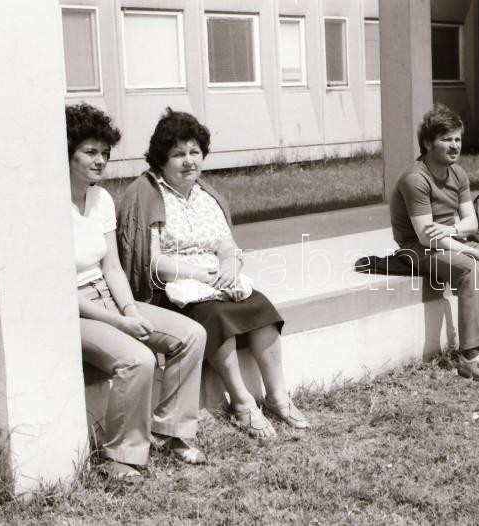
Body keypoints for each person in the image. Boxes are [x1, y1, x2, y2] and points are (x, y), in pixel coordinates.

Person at [117, 108, 309, 439]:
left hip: (213, 280)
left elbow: (227, 245)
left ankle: (278, 396)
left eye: (194, 152)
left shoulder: (205, 195)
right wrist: (200, 275)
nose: (188, 161)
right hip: (171, 288)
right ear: (161, 158)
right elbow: (151, 261)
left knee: (260, 309)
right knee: (215, 315)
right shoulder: (147, 194)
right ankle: (242, 403)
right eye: (178, 154)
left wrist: (231, 266)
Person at [67, 103, 208, 480]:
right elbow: (61, 291)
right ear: (67, 153)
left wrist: (129, 309)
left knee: (191, 335)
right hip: (74, 311)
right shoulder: (49, 208)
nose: (100, 160)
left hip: (109, 297)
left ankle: (170, 432)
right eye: (90, 152)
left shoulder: (100, 199)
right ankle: (120, 457)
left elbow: (112, 267)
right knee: (138, 359)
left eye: (105, 152)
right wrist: (119, 323)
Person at [389, 104, 479, 383]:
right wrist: (468, 250)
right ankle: (470, 357)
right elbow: (426, 237)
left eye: (457, 139)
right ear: (428, 143)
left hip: (452, 241)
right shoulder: (415, 179)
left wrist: (453, 230)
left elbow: (471, 223)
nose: (455, 146)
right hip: (417, 249)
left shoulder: (458, 173)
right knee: (472, 268)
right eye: (446, 139)